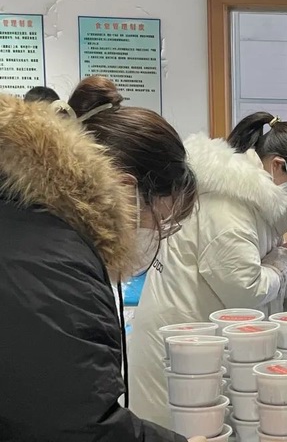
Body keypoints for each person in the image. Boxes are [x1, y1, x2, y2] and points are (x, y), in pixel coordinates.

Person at [0, 77, 202, 441]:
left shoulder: (29, 222)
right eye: (159, 221)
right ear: (125, 189)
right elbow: (76, 426)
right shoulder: (56, 264)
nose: (154, 236)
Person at [128, 112, 287, 428]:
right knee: (179, 429)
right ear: (278, 165)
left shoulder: (254, 200)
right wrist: (282, 264)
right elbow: (245, 291)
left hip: (203, 344)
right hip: (181, 347)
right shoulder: (228, 207)